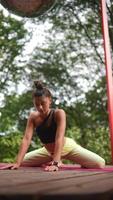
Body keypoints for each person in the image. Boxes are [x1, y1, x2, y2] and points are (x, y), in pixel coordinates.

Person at [11, 80, 105, 171]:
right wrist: (17, 163)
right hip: (48, 152)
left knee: (100, 164)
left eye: (43, 103)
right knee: (22, 160)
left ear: (50, 100)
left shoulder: (59, 113)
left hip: (67, 147)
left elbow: (59, 138)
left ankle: (57, 160)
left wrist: (55, 164)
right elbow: (26, 139)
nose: (40, 107)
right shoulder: (33, 117)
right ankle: (55, 159)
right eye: (37, 104)